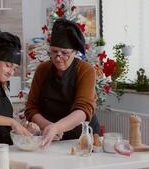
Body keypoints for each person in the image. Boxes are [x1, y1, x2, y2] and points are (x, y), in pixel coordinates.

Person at [25, 18, 101, 148]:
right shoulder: (42, 70)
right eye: (54, 52)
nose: (58, 57)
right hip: (51, 138)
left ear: (75, 52)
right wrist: (48, 126)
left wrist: (57, 127)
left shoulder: (86, 70)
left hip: (83, 138)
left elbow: (83, 110)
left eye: (64, 53)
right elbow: (31, 108)